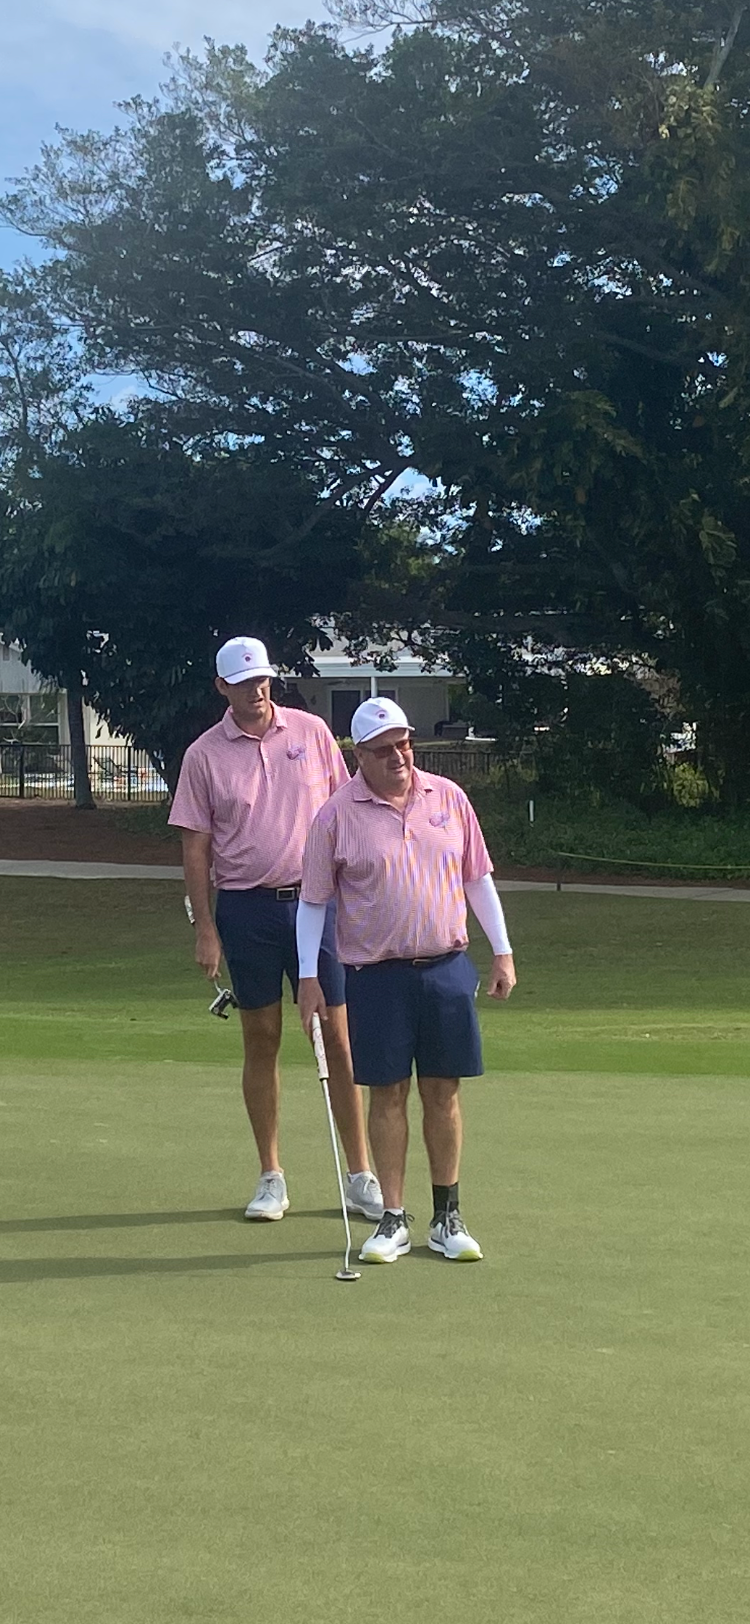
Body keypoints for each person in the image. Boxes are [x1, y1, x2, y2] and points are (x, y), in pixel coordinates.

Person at [169, 637, 383, 1224]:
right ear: (222, 688)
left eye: (262, 679)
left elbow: (348, 811)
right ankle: (271, 1177)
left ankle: (360, 1174)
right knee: (261, 1040)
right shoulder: (203, 755)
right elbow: (195, 848)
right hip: (246, 909)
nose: (257, 690)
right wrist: (205, 927)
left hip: (318, 906)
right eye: (244, 682)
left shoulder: (311, 733)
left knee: (337, 1038)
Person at [295, 696, 516, 1265]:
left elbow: (478, 878)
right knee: (388, 1093)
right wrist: (309, 975)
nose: (400, 755)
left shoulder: (448, 797)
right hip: (375, 974)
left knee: (442, 1091)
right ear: (360, 755)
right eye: (385, 749)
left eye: (404, 743)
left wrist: (503, 951)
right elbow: (313, 903)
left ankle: (447, 1216)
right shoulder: (336, 815)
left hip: (445, 967)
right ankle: (393, 1217)